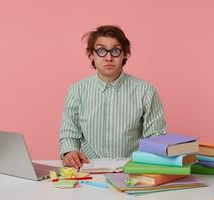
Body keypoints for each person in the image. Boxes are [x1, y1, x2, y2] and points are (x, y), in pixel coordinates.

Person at [59, 25, 166, 168]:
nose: (108, 57)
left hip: (130, 169)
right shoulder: (76, 91)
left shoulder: (146, 91)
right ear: (91, 55)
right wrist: (69, 152)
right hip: (88, 168)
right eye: (101, 50)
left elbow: (155, 137)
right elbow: (69, 134)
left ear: (125, 54)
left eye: (115, 50)